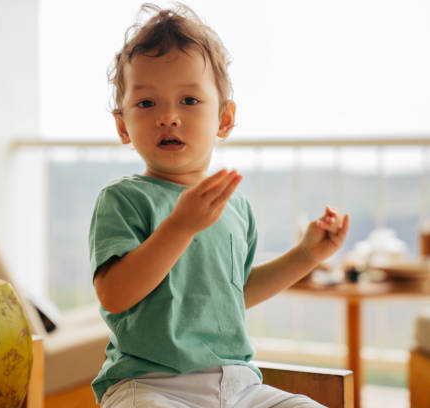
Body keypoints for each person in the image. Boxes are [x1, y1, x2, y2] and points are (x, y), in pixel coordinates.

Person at [88, 3, 350, 407]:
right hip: (150, 384)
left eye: (189, 100)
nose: (169, 117)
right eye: (146, 104)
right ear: (123, 124)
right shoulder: (123, 200)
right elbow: (115, 295)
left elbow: (233, 296)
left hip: (238, 386)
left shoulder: (233, 206)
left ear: (224, 119)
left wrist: (305, 256)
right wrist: (179, 227)